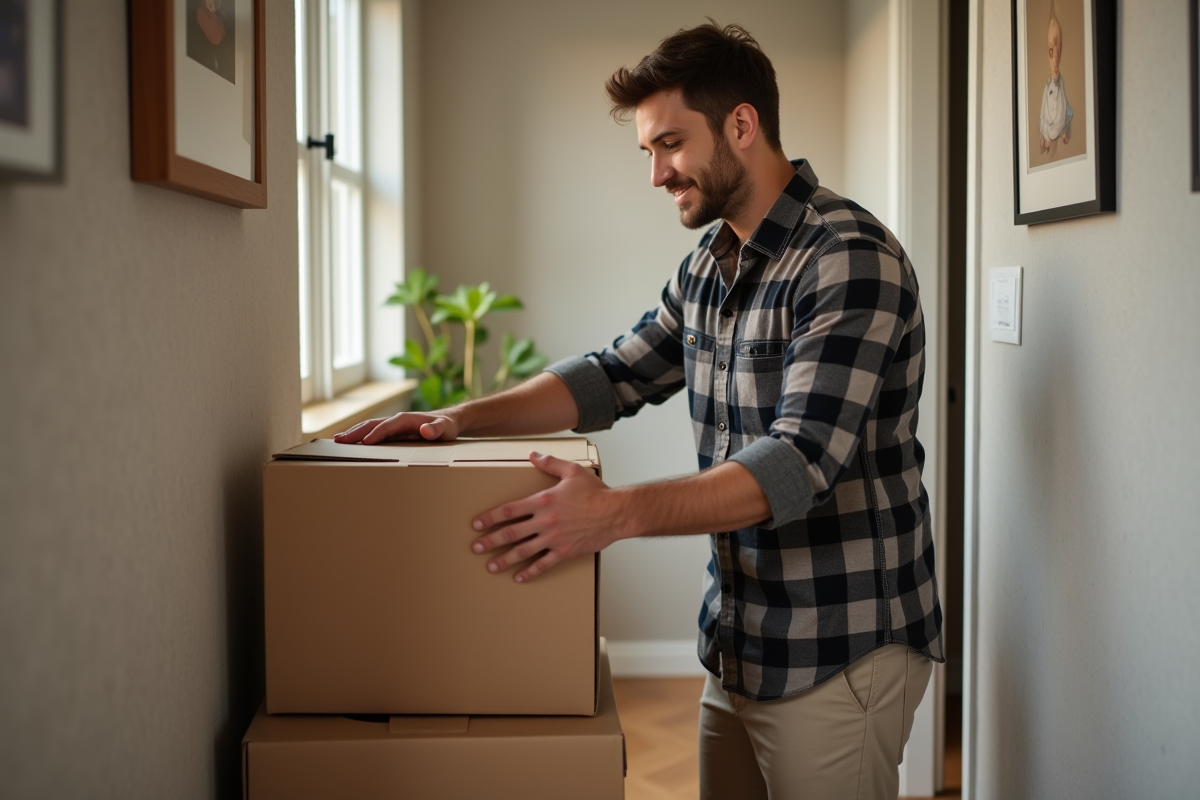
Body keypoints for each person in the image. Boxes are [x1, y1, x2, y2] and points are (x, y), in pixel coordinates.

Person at [337, 21, 943, 800]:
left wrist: (613, 514)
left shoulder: (848, 256)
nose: (656, 173)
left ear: (742, 125)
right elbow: (611, 376)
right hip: (741, 641)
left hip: (841, 645)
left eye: (669, 145)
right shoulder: (707, 265)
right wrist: (457, 419)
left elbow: (799, 462)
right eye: (648, 152)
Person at [1038, 9, 1072, 156]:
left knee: (1054, 74)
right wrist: (1064, 134)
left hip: (1054, 98)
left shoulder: (1046, 129)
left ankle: (1054, 74)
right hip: (1056, 107)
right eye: (1045, 144)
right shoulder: (1049, 131)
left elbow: (1049, 110)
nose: (1044, 142)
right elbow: (1062, 116)